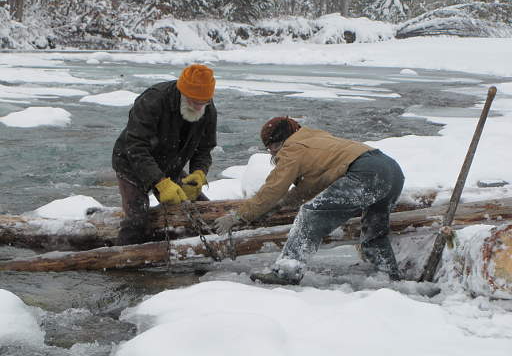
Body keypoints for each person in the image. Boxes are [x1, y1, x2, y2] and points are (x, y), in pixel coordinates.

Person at [214, 117, 404, 284]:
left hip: (366, 173)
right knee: (374, 230)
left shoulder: (292, 148)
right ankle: (388, 277)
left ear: (276, 143)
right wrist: (283, 203)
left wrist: (238, 216)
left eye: (270, 148)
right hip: (391, 170)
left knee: (310, 214)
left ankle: (287, 271)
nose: (272, 154)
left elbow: (273, 189)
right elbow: (312, 185)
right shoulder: (315, 138)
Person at [112, 64, 217, 245]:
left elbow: (204, 149)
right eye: (194, 101)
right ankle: (119, 264)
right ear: (183, 93)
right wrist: (159, 182)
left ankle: (196, 256)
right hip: (131, 164)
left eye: (204, 102)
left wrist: (199, 173)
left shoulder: (208, 109)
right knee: (137, 220)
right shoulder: (154, 100)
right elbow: (136, 146)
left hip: (170, 165)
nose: (199, 107)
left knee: (204, 212)